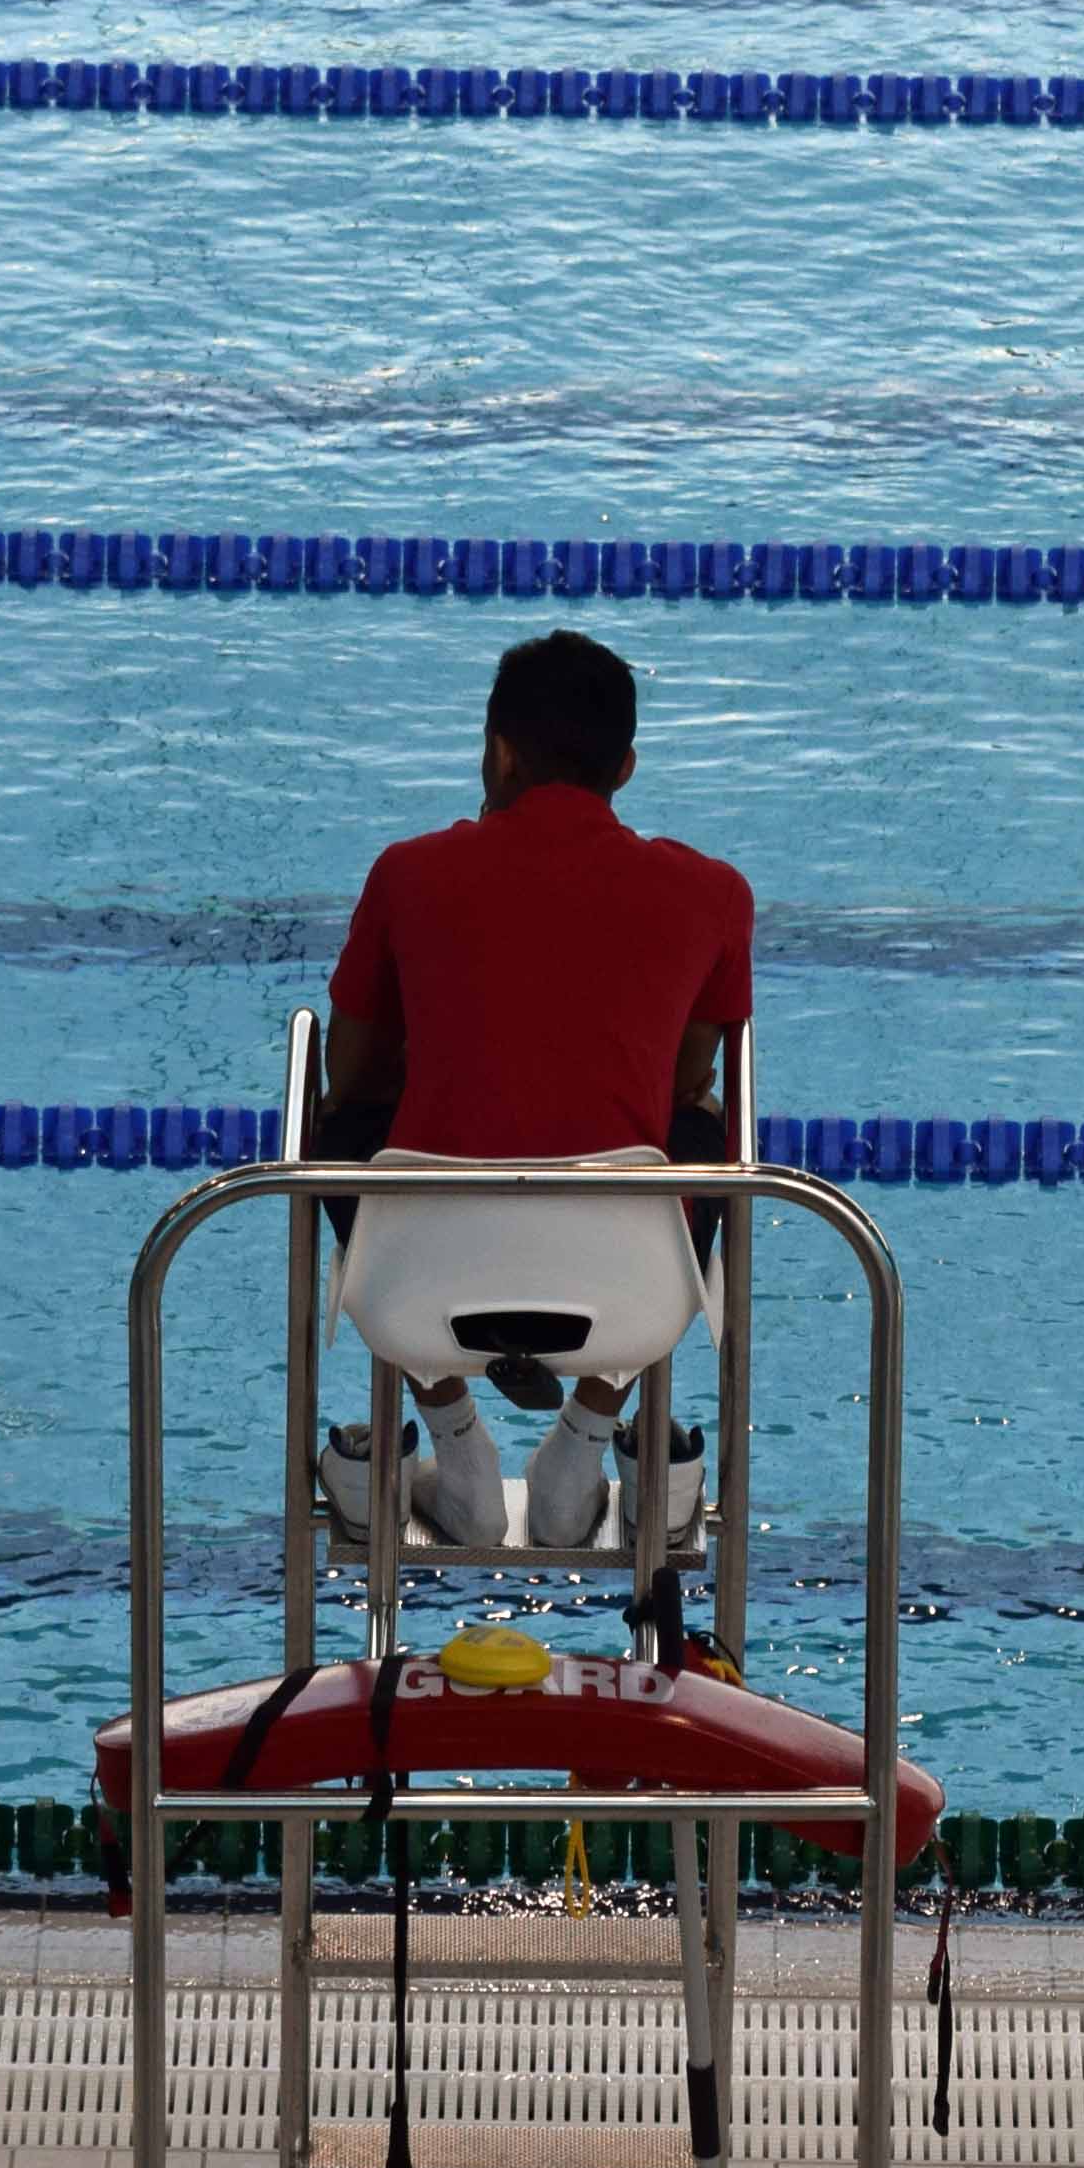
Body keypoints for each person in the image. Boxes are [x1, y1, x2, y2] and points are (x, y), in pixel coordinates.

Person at [316, 626, 755, 1546]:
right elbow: (686, 1078)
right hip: (633, 1292)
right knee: (705, 1130)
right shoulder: (714, 893)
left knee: (335, 1121)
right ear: (626, 768)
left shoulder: (409, 873)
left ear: (500, 750)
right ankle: (583, 1447)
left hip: (414, 1281)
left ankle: (457, 1448)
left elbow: (349, 1076)